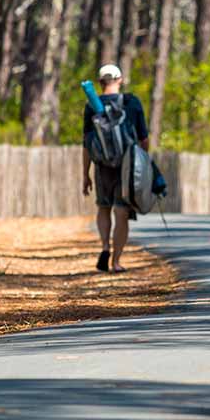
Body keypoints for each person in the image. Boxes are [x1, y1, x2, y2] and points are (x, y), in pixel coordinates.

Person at [81, 63, 149, 273]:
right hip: (127, 166)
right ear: (120, 80)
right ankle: (117, 261)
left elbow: (86, 144)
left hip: (102, 166)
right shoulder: (132, 102)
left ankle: (104, 247)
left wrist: (85, 174)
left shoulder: (91, 106)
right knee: (121, 212)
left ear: (101, 83)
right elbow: (144, 139)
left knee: (103, 207)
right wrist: (144, 165)